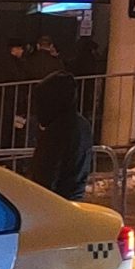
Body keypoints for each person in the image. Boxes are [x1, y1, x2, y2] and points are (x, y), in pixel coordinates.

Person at [30, 39, 93, 198]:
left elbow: (46, 174)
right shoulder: (81, 124)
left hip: (55, 202)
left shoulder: (58, 131)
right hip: (74, 198)